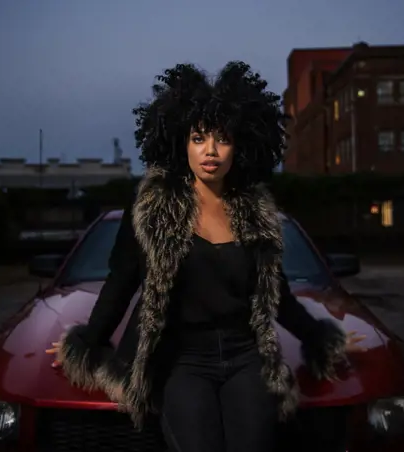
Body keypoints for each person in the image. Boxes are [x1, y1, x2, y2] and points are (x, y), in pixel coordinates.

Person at [46, 61, 367, 452]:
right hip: (182, 360)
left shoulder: (254, 213)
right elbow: (120, 282)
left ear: (241, 145)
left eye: (222, 138)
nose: (210, 150)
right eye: (199, 138)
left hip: (246, 356)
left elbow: (276, 295)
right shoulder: (153, 210)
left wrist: (320, 337)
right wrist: (87, 342)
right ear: (182, 142)